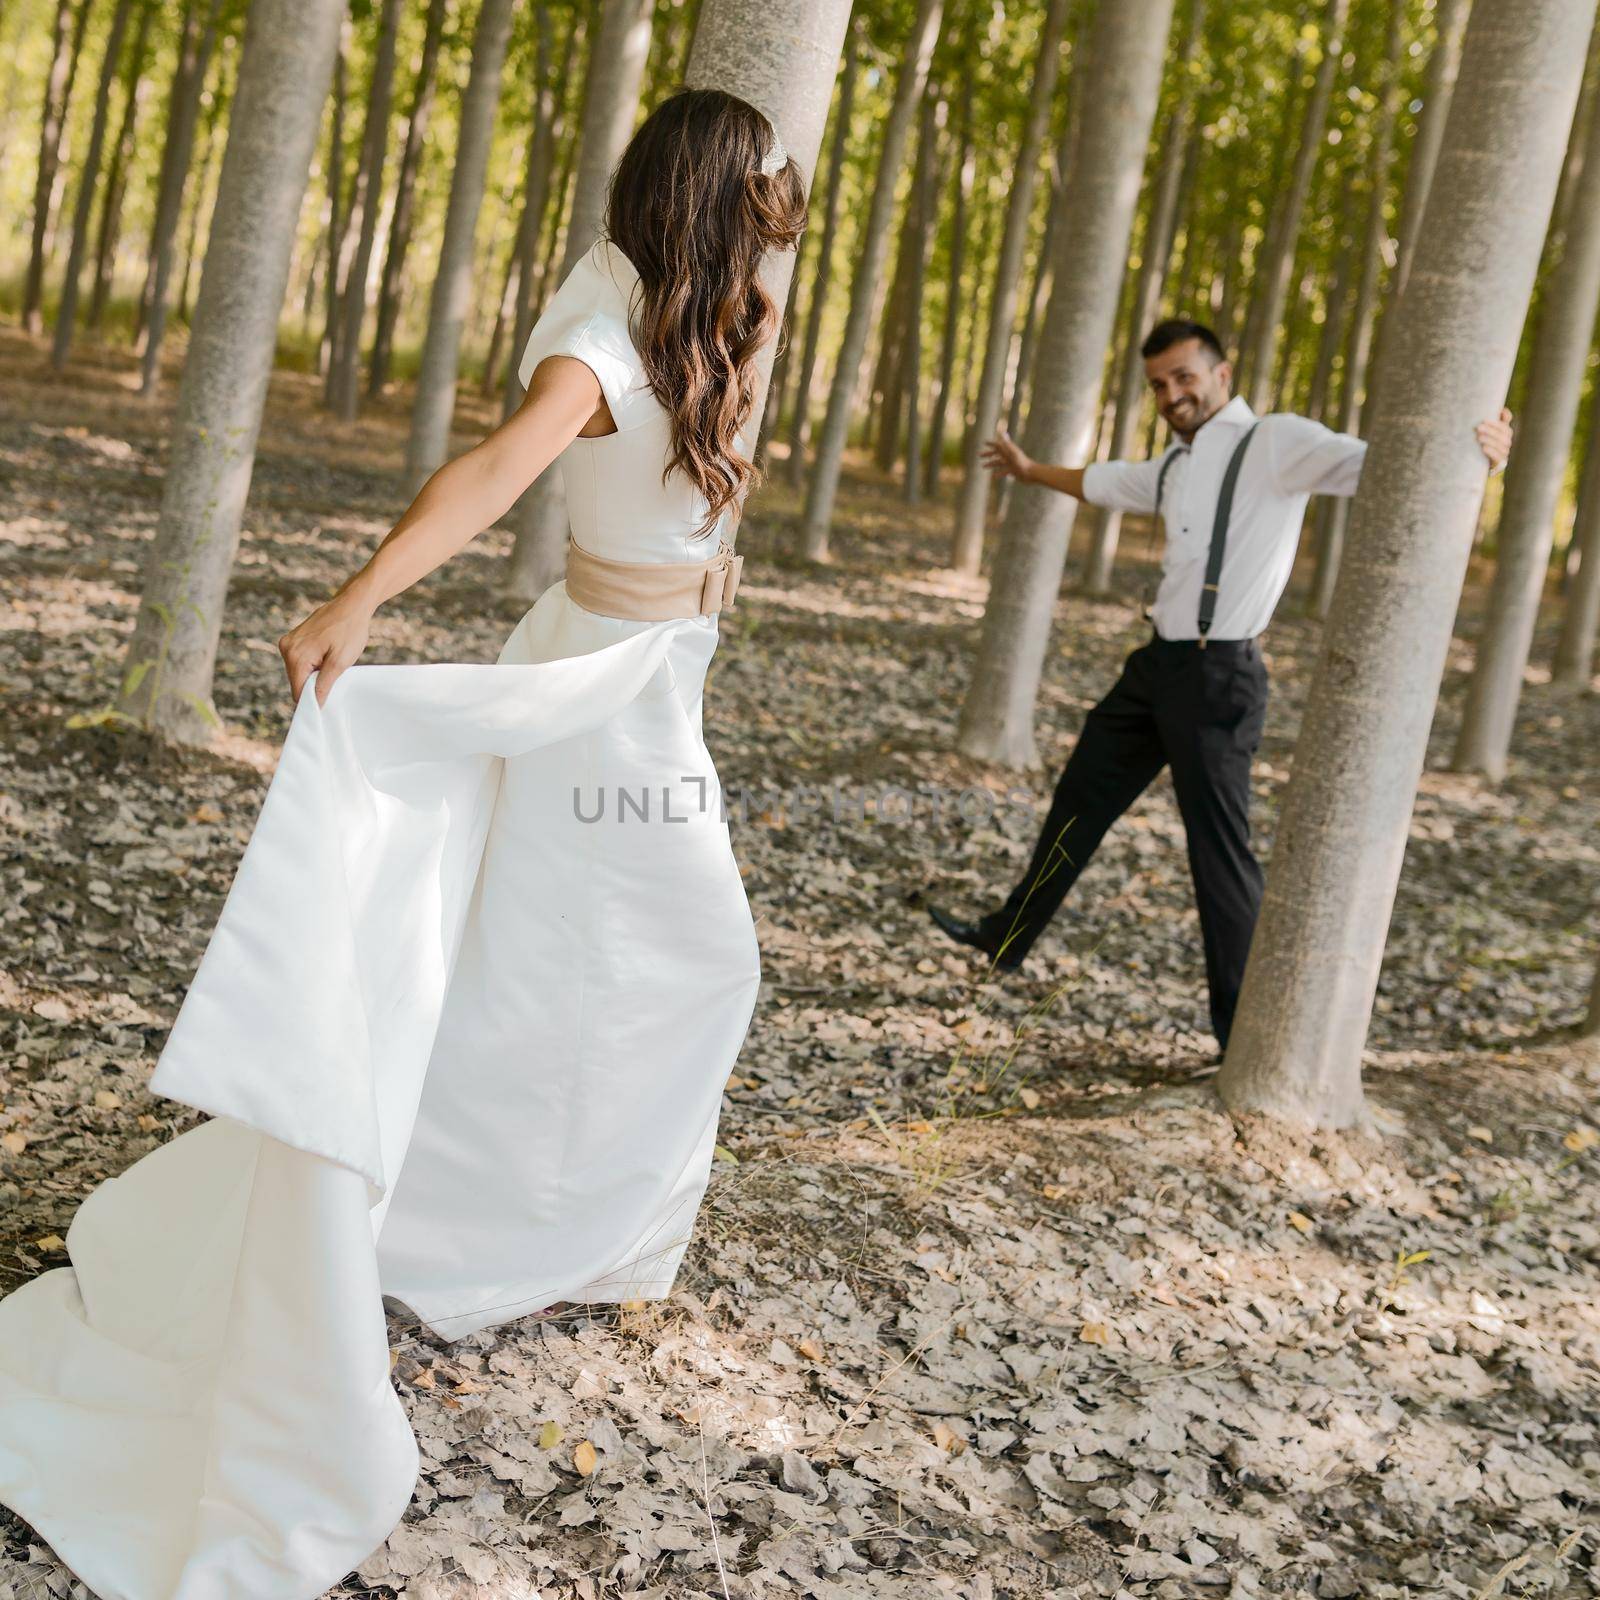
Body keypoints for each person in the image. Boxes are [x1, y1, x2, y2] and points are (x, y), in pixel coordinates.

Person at [0, 89, 802, 1600]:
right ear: (711, 191)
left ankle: (554, 1223)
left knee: (579, 965)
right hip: (590, 695)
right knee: (699, 960)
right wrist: (362, 595)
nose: (786, 206)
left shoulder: (723, 311)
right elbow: (494, 473)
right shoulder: (605, 325)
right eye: (769, 183)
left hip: (654, 682)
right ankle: (479, 1223)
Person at [926, 318, 1513, 1048]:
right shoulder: (1174, 464)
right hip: (1156, 668)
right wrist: (1027, 469)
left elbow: (1385, 465)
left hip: (1220, 677)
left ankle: (1244, 1033)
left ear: (1222, 374)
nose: (1172, 394)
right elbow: (1103, 483)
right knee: (1079, 798)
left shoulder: (1277, 442)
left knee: (1219, 852)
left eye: (1183, 376)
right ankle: (1007, 936)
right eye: (1158, 385)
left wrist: (1481, 456)